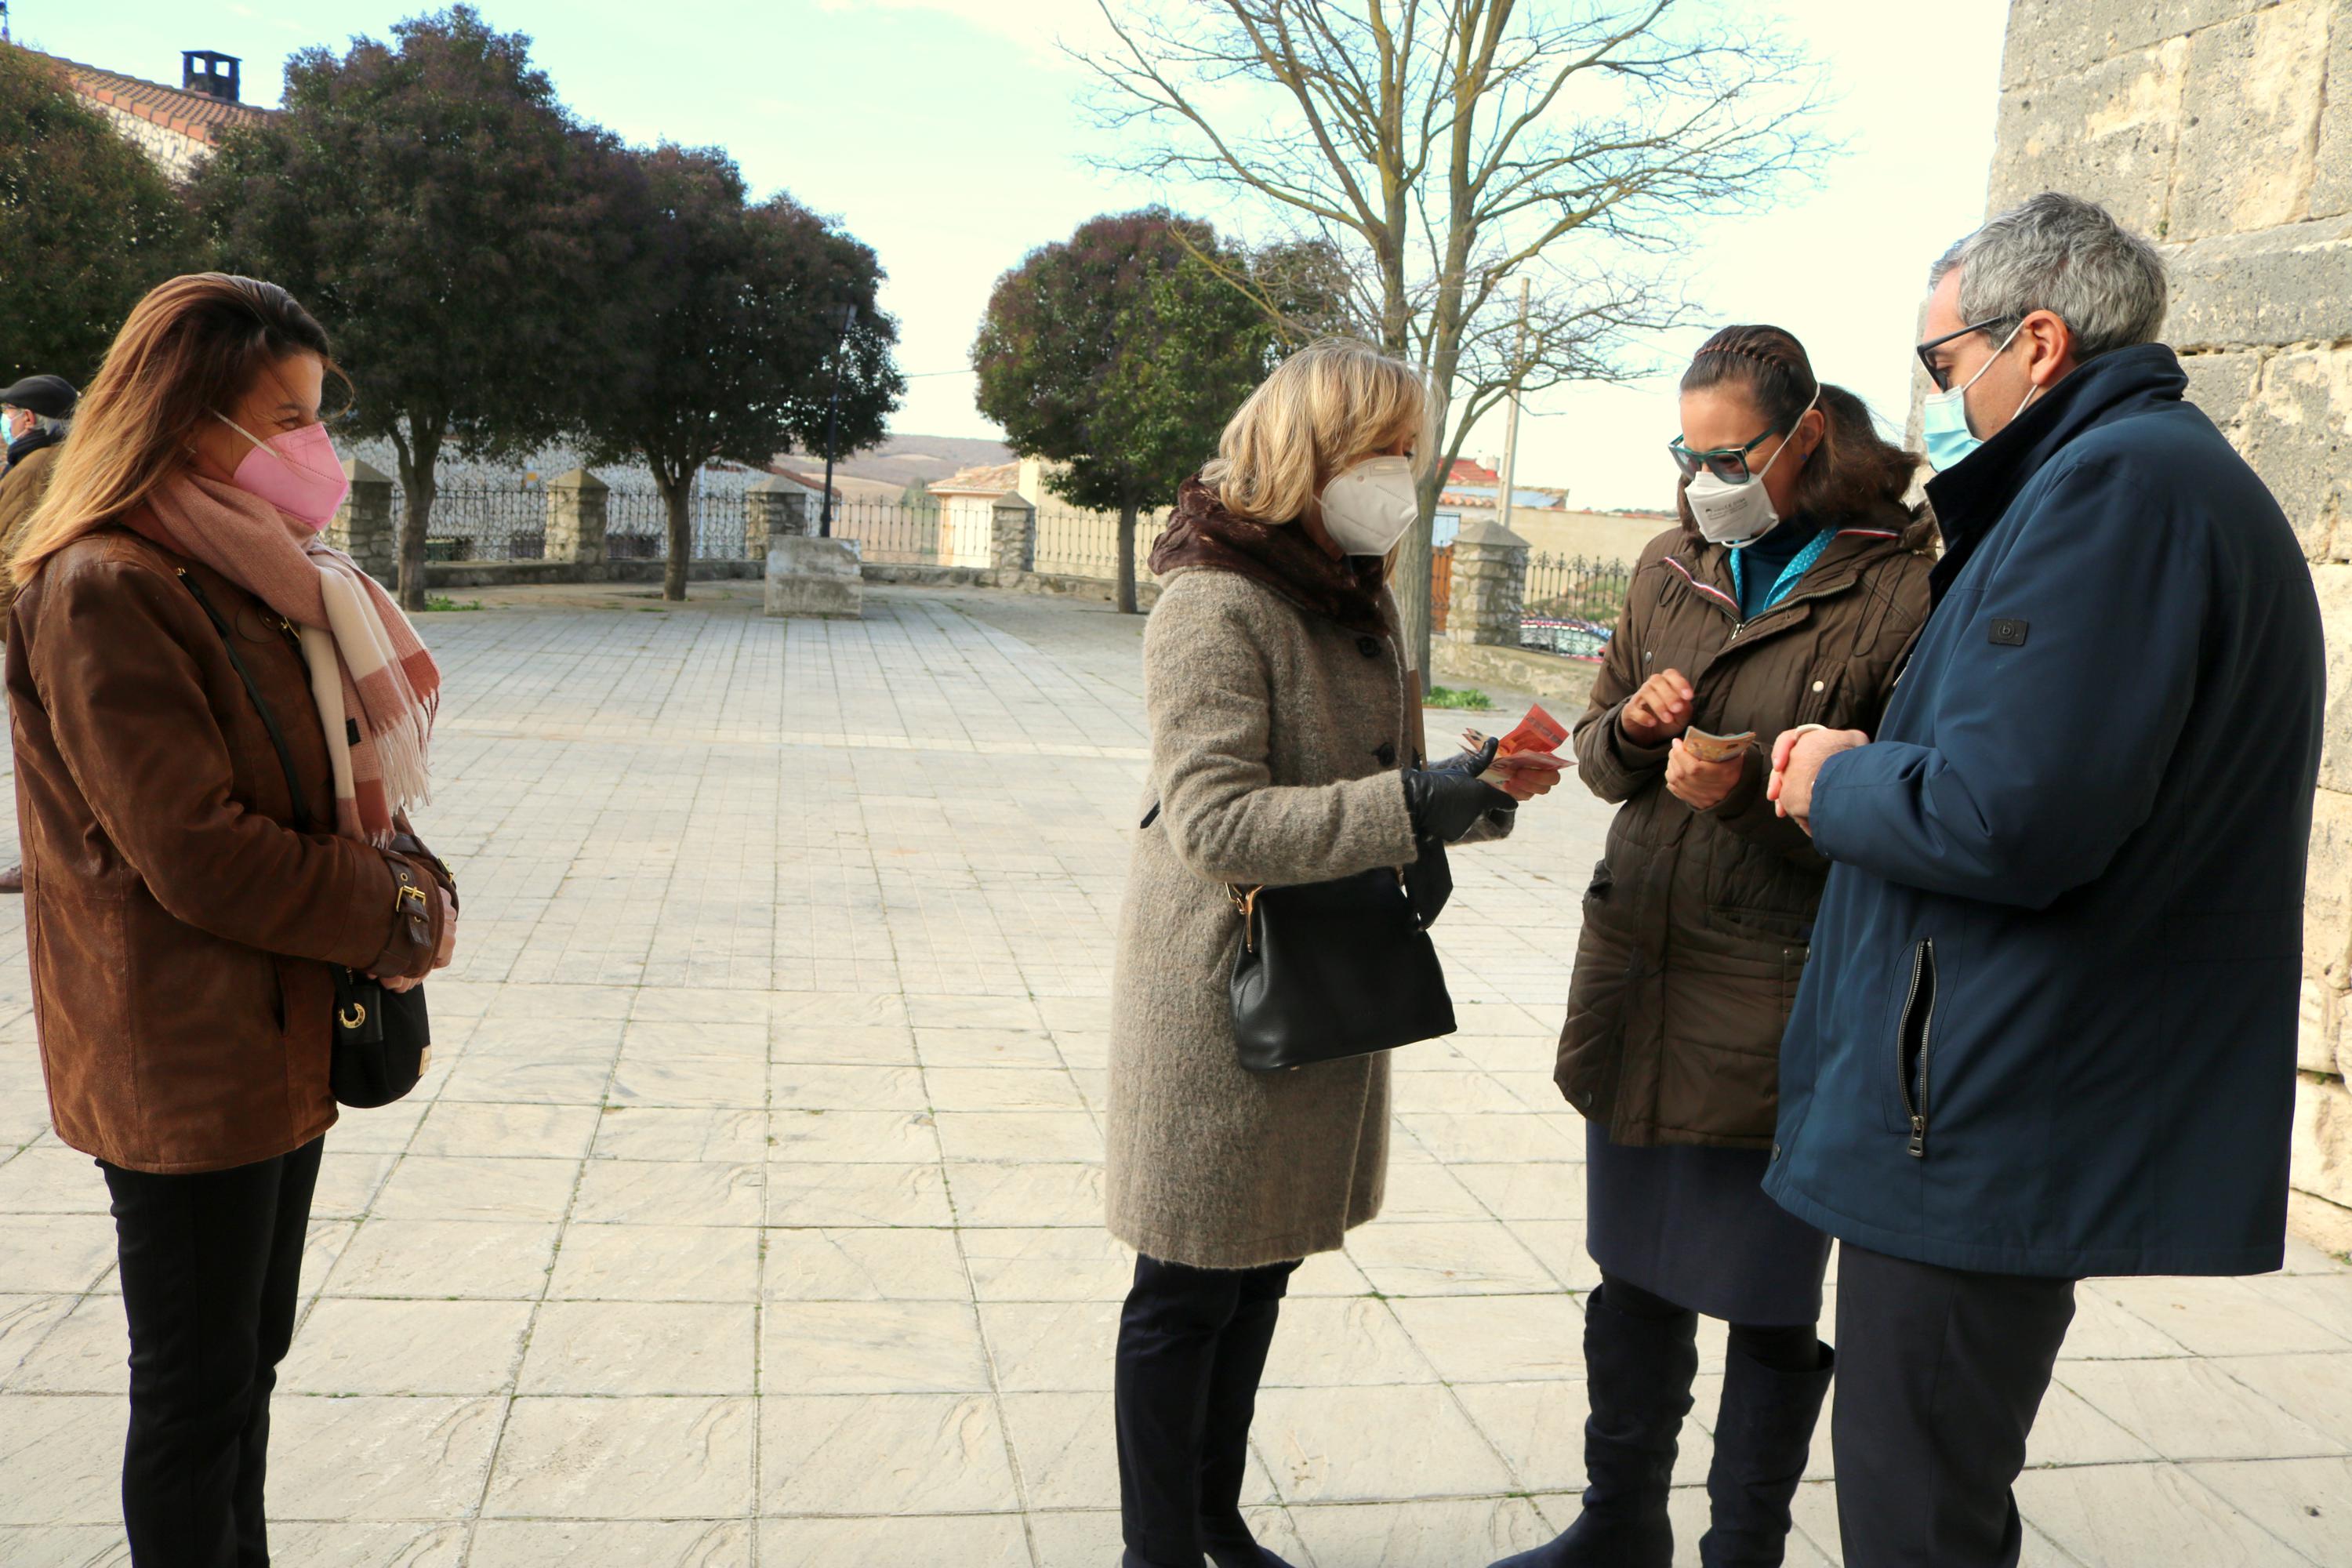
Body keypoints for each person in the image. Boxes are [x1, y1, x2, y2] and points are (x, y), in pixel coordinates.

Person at [1762, 191, 2325, 1568]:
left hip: (1978, 1112)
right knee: (1930, 1489)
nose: (1937, 400)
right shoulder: (2127, 478)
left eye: (1942, 365)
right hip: (1984, 1091)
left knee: (1918, 1512)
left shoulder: (2114, 491)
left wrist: (1834, 776)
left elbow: (2006, 817)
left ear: (2041, 341)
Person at [5, 273, 459, 1568]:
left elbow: (312, 782)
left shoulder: (250, 573)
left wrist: (398, 873)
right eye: (286, 416)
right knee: (196, 1395)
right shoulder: (107, 584)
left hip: (279, 1035)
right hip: (184, 1059)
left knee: (249, 1364)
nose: (315, 449)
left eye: (317, 416)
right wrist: (397, 908)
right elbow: (196, 853)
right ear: (188, 412)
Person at [1490, 327, 1935, 1568]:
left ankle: (1744, 1547)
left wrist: (1750, 793)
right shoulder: (1668, 563)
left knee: (1768, 1300)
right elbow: (1593, 755)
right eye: (1685, 451)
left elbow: (1907, 808)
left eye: (1728, 451)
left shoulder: (1902, 584)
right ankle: (1617, 1520)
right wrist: (1631, 727)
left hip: (1778, 997)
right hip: (1640, 967)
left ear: (1804, 436)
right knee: (1632, 1275)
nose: (1703, 476)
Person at [1107, 338, 1545, 1568]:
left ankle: (1211, 1521)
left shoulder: (1356, 591)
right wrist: (1416, 801)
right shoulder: (1213, 598)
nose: (1406, 474)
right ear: (1315, 451)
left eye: (1414, 449)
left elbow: (1386, 783)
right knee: (1188, 1288)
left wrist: (1477, 784)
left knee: (1262, 1274)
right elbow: (1214, 823)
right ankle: (1160, 1552)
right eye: (1387, 449)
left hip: (1327, 967)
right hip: (1222, 988)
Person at [0, 372, 80, 894]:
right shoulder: (49, 462)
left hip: (35, 632)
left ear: (27, 419)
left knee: (44, 756)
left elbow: (15, 561)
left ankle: (44, 862)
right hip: (47, 629)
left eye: (7, 417)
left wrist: (14, 634)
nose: (5, 425)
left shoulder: (33, 470)